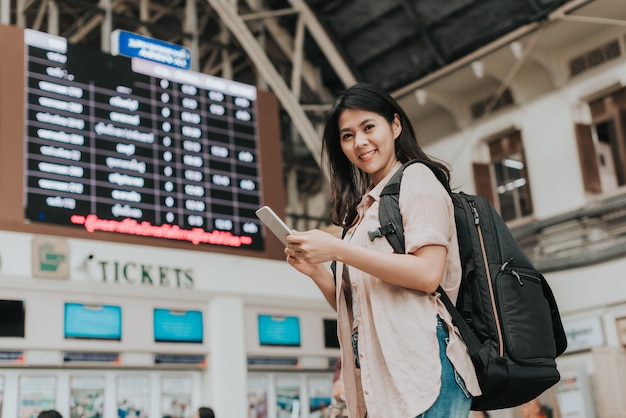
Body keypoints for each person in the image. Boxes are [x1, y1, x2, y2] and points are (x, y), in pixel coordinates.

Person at [285, 82, 481, 417]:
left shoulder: (417, 179)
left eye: (368, 127)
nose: (359, 142)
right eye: (347, 136)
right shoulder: (364, 211)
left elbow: (428, 274)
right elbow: (359, 306)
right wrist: (316, 271)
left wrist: (337, 250)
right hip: (387, 384)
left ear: (395, 124)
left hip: (426, 374)